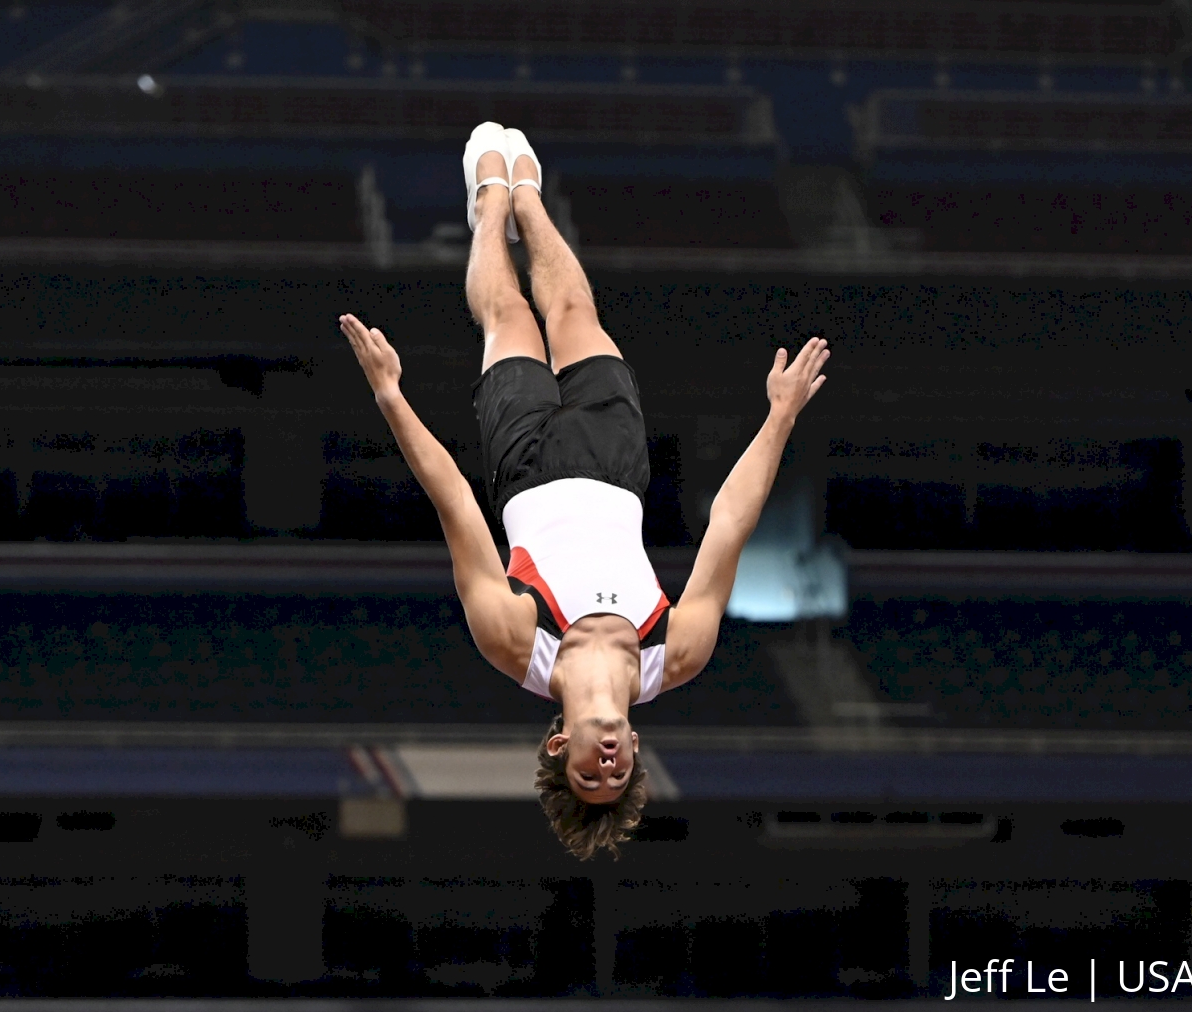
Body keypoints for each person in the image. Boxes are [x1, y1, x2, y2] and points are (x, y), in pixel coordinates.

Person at [338, 121, 829, 859]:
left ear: (559, 741)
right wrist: (779, 418)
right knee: (574, 313)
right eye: (619, 773)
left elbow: (457, 507)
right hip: (615, 466)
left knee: (506, 315)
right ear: (633, 746)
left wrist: (391, 400)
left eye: (588, 775)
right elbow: (728, 524)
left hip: (525, 467)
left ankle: (491, 211)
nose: (609, 766)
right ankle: (530, 199)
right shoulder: (678, 651)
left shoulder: (513, 644)